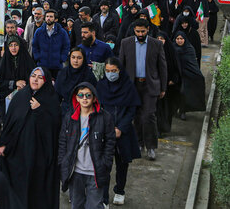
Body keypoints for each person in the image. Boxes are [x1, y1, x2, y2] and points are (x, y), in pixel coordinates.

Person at [0, 67, 61, 208]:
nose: (35, 79)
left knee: (35, 189)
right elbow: (9, 122)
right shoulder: (21, 96)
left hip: (39, 154)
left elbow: (54, 127)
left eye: (40, 77)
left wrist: (40, 111)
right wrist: (3, 142)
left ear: (46, 81)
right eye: (33, 76)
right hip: (18, 152)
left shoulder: (51, 99)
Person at [58, 82, 115, 209]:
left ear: (94, 98)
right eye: (81, 95)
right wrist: (63, 162)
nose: (84, 98)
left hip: (95, 171)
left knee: (94, 205)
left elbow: (110, 142)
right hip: (75, 172)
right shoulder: (69, 118)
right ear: (76, 98)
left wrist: (105, 163)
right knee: (76, 205)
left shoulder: (105, 117)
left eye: (88, 95)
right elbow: (63, 142)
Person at [119, 18, 167, 161]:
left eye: (143, 31)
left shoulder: (156, 44)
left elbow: (162, 67)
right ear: (134, 30)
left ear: (148, 30)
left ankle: (151, 147)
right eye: (138, 31)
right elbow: (121, 66)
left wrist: (163, 88)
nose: (140, 34)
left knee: (149, 116)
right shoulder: (125, 43)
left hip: (150, 86)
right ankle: (139, 143)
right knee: (136, 117)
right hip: (132, 86)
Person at [96, 57, 141, 206]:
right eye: (107, 71)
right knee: (103, 166)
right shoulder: (101, 86)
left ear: (119, 71)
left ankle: (120, 190)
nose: (110, 74)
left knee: (122, 164)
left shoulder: (128, 86)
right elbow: (98, 109)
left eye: (113, 71)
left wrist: (121, 128)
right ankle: (103, 198)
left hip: (124, 132)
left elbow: (131, 110)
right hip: (105, 132)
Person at [0, 34, 34, 117]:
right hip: (7, 98)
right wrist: (15, 83)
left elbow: (33, 79)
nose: (13, 48)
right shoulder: (4, 61)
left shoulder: (26, 60)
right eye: (11, 45)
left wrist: (23, 86)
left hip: (24, 96)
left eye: (16, 45)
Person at [55, 47, 97, 116]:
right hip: (65, 111)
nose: (75, 61)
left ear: (84, 59)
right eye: (73, 57)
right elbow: (57, 95)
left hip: (84, 112)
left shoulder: (88, 75)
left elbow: (94, 96)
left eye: (79, 58)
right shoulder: (63, 74)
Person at [173, 31, 206, 119]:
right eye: (177, 39)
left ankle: (183, 111)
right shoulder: (172, 49)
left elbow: (192, 63)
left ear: (185, 39)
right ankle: (175, 110)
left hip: (187, 75)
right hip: (175, 76)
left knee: (183, 92)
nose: (179, 41)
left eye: (181, 39)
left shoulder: (189, 49)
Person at [32, 9, 70, 80]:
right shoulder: (39, 32)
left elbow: (66, 46)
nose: (48, 18)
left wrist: (62, 58)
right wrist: (38, 57)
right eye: (47, 16)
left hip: (57, 65)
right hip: (43, 64)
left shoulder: (62, 32)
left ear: (55, 19)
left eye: (51, 17)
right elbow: (34, 46)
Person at [156, 32, 182, 134]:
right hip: (156, 84)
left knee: (167, 109)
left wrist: (173, 80)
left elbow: (177, 68)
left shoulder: (171, 51)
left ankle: (164, 128)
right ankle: (157, 130)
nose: (159, 40)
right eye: (157, 38)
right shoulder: (153, 51)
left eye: (161, 39)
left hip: (168, 87)